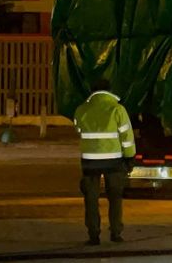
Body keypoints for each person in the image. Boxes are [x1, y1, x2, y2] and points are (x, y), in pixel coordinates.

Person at [73, 79, 136, 246]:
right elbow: (127, 137)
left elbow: (78, 129)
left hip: (89, 162)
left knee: (91, 199)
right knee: (115, 197)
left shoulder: (82, 109)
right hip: (113, 162)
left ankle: (93, 235)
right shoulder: (117, 109)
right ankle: (116, 233)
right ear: (109, 90)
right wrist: (129, 157)